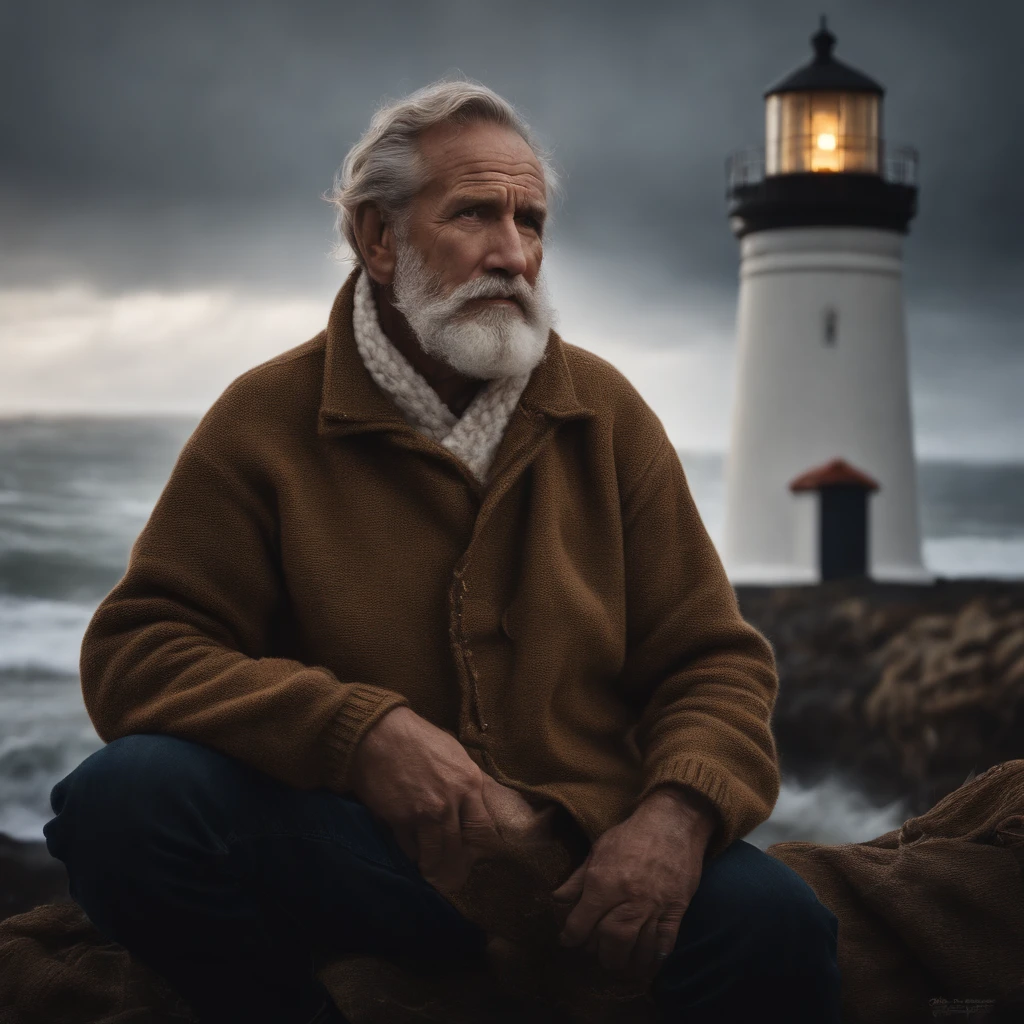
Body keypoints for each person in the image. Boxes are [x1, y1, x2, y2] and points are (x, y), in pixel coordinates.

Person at [43, 79, 840, 1024]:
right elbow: (138, 650)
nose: (513, 253)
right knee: (124, 805)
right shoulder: (264, 421)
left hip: (585, 860)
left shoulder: (605, 413)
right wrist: (361, 735)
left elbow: (713, 662)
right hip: (367, 854)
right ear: (377, 240)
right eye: (474, 214)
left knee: (784, 928)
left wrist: (676, 815)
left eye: (530, 220)